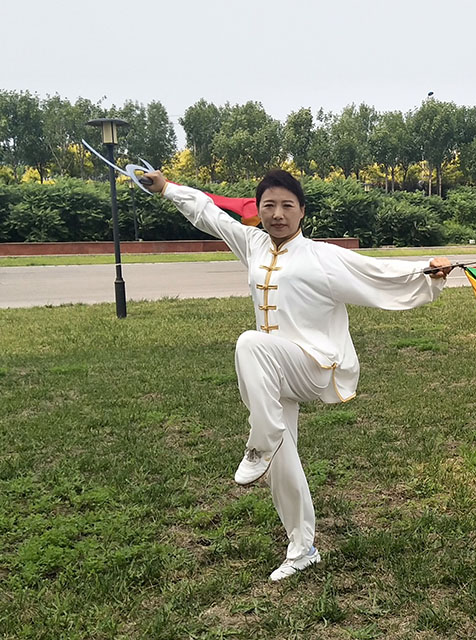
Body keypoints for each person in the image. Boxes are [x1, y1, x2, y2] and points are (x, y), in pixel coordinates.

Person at [144, 169, 451, 581]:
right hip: (272, 373)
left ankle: (261, 441)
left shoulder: (323, 256)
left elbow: (376, 272)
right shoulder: (252, 244)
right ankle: (302, 547)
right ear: (258, 210)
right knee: (281, 459)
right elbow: (208, 214)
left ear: (302, 211)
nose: (277, 214)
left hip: (314, 366)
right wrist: (167, 189)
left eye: (287, 205)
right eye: (268, 205)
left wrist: (427, 271)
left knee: (249, 343)